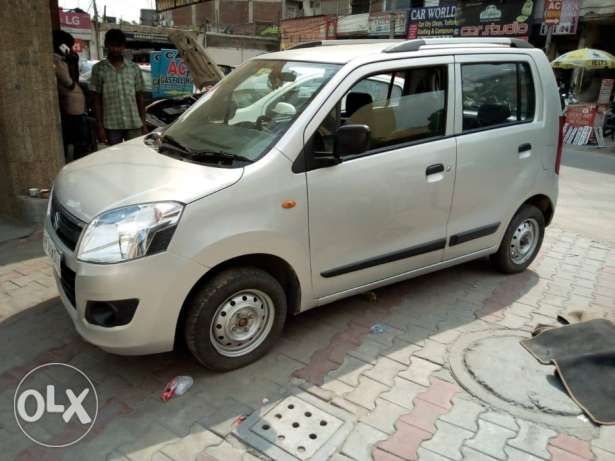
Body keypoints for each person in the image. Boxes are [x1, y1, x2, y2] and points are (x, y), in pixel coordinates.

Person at [91, 29, 147, 145]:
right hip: (111, 125)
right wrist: (100, 127)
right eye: (112, 45)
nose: (115, 49)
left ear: (124, 47)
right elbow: (96, 100)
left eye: (119, 46)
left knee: (135, 156)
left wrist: (144, 124)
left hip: (134, 123)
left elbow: (140, 97)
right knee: (114, 158)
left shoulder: (133, 68)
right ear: (106, 45)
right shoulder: (98, 69)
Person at [53, 30, 89, 161]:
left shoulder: (64, 60)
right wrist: (71, 63)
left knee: (81, 142)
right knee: (79, 142)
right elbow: (70, 83)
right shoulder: (57, 60)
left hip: (76, 109)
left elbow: (76, 79)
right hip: (71, 109)